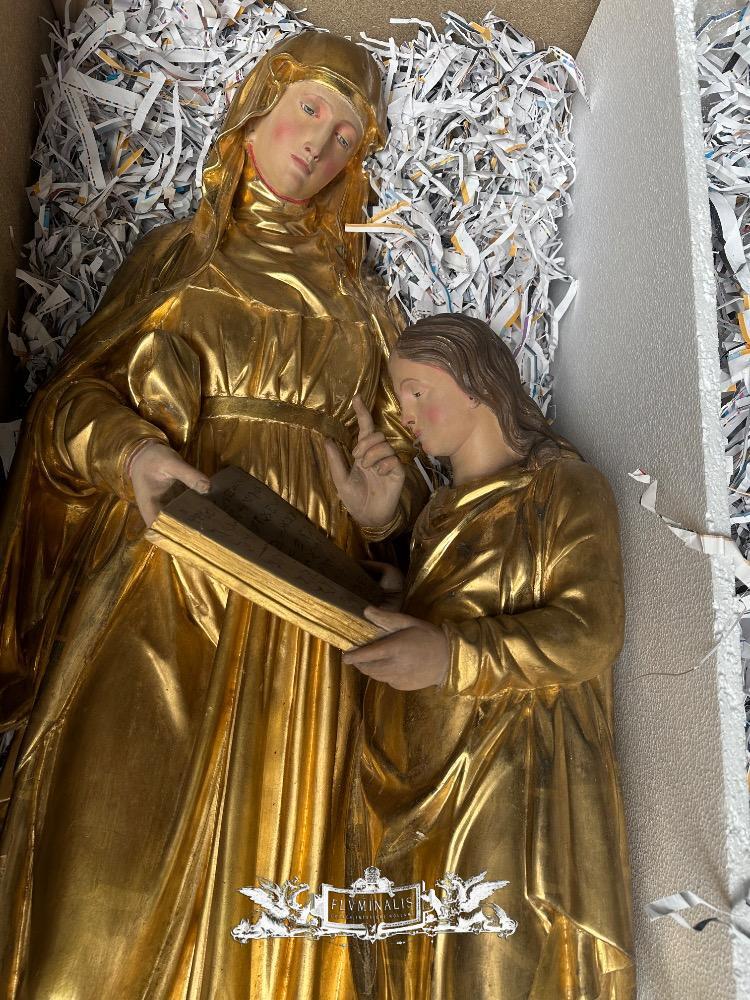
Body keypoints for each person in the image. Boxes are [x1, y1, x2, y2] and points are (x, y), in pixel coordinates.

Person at [0, 30, 427, 999]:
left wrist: (384, 513)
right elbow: (69, 404)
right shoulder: (179, 260)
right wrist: (134, 452)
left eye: (348, 135)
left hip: (307, 601)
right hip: (169, 568)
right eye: (311, 108)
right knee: (100, 858)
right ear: (260, 105)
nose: (320, 144)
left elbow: (410, 486)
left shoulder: (367, 312)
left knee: (270, 885)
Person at [336, 314, 635, 999]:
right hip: (417, 776)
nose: (407, 415)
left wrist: (451, 658)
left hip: (511, 776)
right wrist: (382, 534)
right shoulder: (436, 515)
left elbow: (589, 631)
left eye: (418, 392)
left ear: (476, 383)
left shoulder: (561, 490)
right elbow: (448, 600)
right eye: (401, 399)